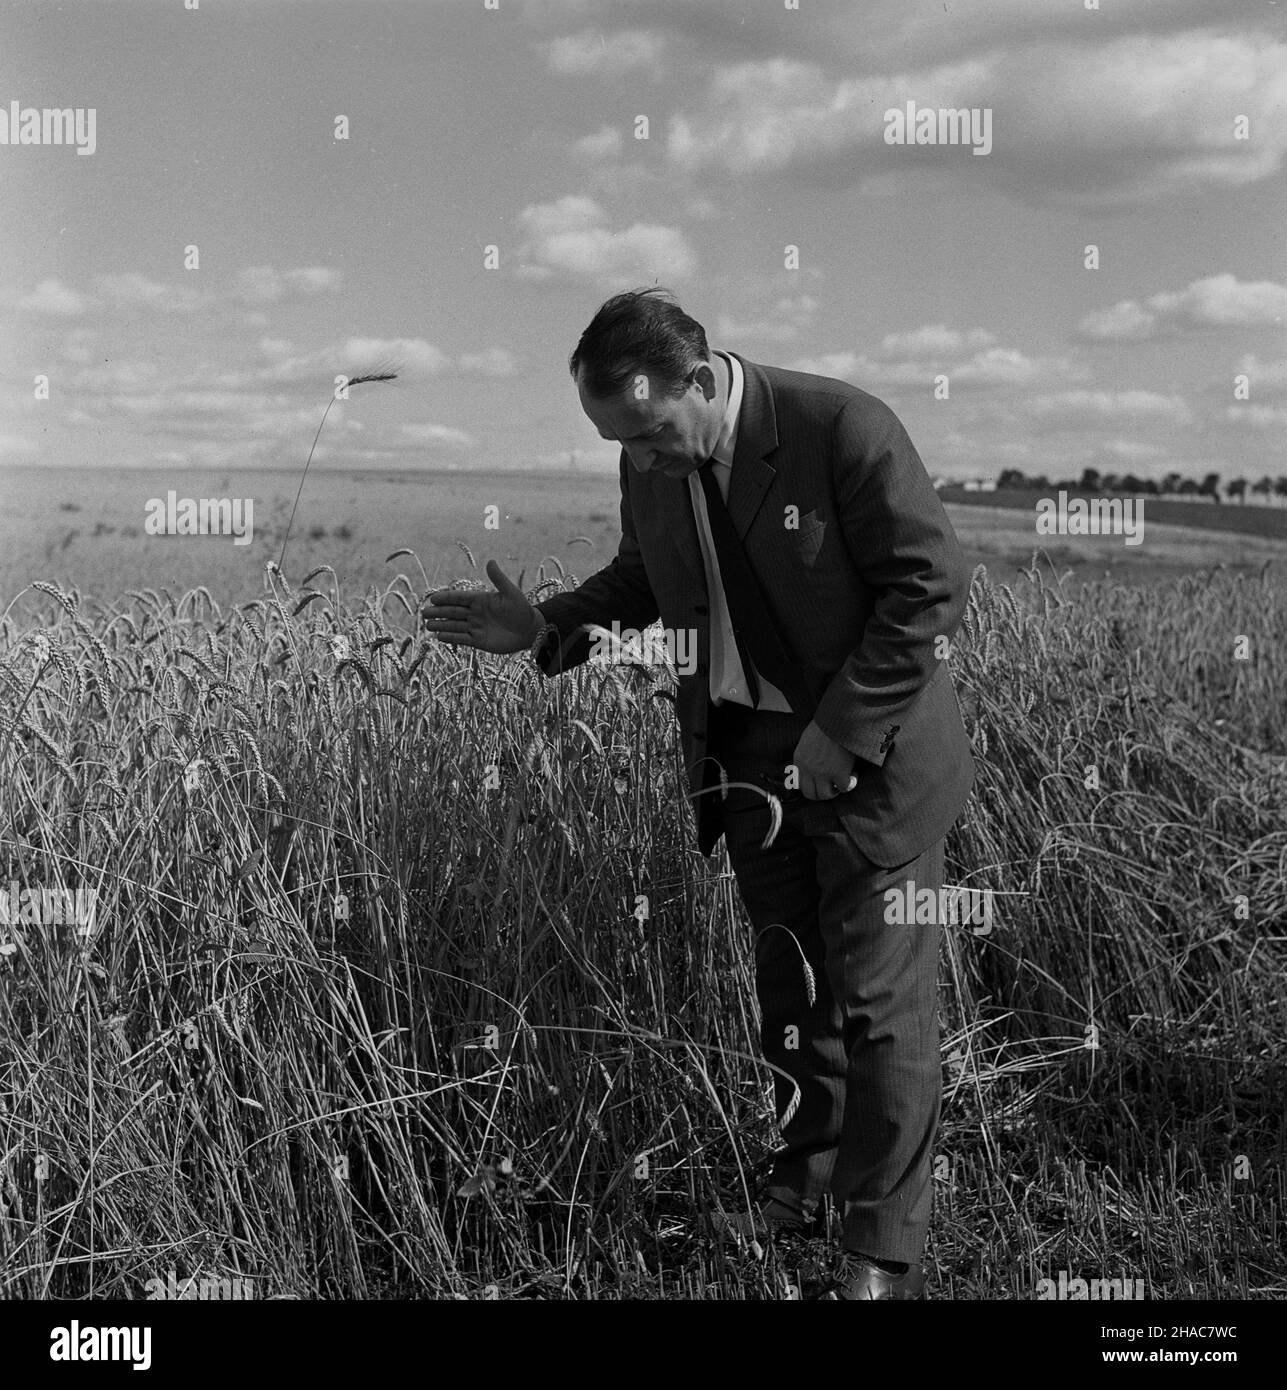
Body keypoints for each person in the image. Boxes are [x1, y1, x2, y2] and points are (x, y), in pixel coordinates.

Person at [422, 287, 975, 1300]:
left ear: (700, 375)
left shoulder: (840, 428)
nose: (639, 457)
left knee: (880, 998)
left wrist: (840, 735)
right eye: (616, 442)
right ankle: (803, 1181)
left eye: (648, 432)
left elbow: (930, 591)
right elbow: (645, 581)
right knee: (792, 979)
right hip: (747, 757)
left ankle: (878, 1250)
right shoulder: (652, 463)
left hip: (875, 757)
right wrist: (543, 628)